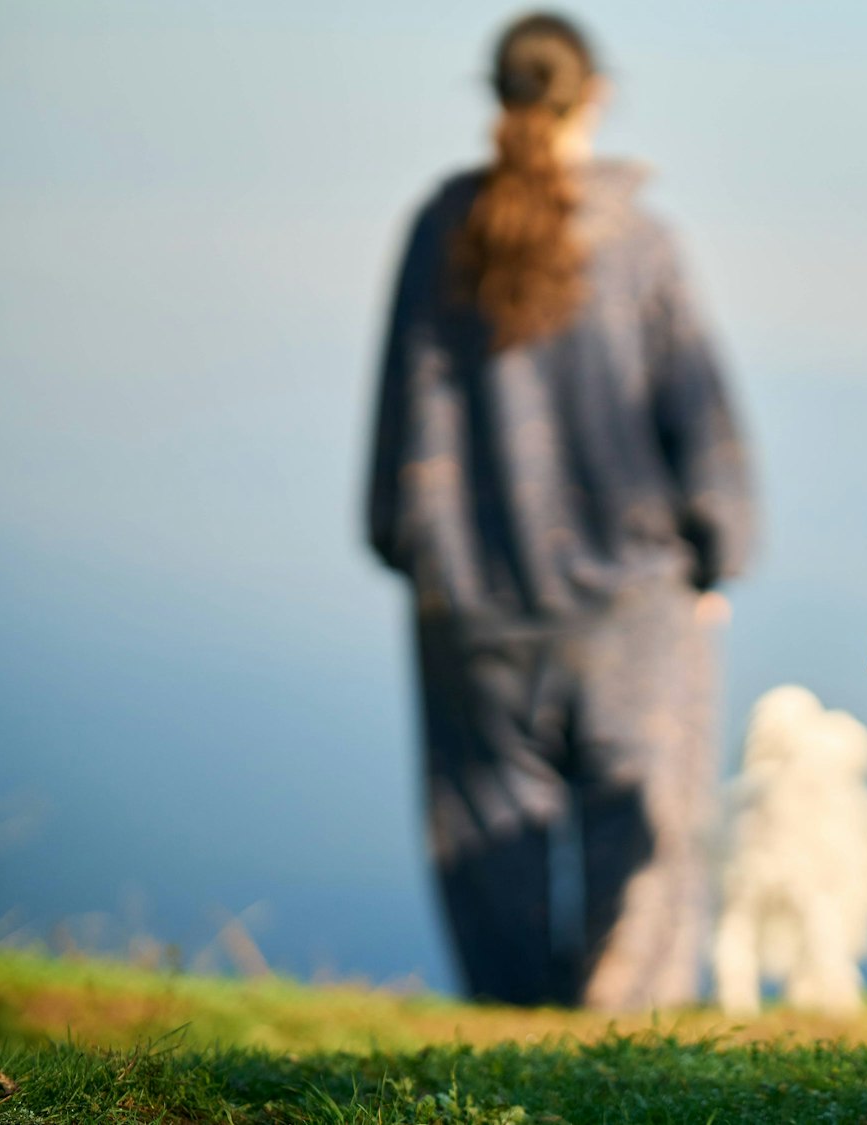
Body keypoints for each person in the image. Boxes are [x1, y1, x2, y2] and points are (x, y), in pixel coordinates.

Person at [365, 11, 753, 1010]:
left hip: (472, 597)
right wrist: (718, 556)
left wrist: (409, 550)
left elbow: (402, 408)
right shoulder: (638, 239)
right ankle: (616, 1053)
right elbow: (699, 416)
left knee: (488, 837)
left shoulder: (439, 229)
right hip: (634, 604)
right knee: (647, 844)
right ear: (598, 95)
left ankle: (514, 1031)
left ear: (495, 97)